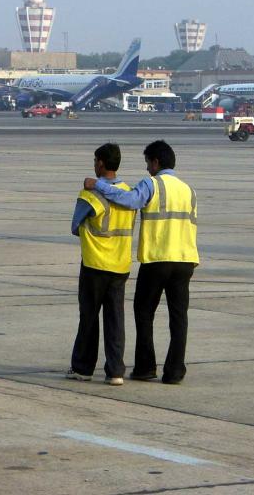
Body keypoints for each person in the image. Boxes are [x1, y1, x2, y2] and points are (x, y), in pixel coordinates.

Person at [83, 140, 198, 385]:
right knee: (179, 318)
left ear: (156, 162)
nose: (147, 169)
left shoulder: (152, 184)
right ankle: (174, 371)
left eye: (148, 163)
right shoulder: (189, 190)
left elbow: (130, 200)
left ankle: (146, 367)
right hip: (185, 261)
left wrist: (99, 185)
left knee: (144, 313)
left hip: (157, 259)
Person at [66, 143, 136, 386]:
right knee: (116, 320)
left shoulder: (89, 194)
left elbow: (75, 226)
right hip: (120, 264)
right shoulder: (129, 193)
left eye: (95, 161)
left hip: (95, 264)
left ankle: (83, 367)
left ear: (101, 163)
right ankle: (115, 371)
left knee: (89, 318)